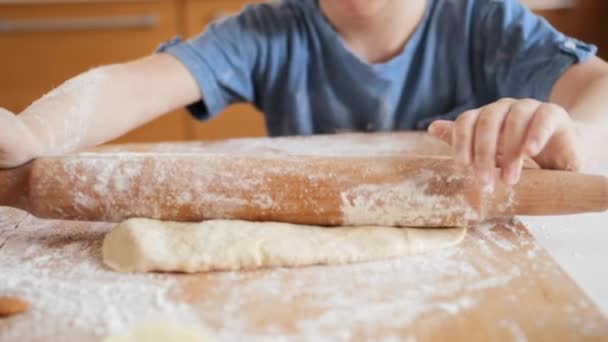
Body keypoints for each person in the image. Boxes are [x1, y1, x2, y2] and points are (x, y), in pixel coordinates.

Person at [1, 0, 607, 187]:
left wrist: (570, 133)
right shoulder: (268, 31)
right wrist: (29, 133)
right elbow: (131, 85)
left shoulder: (485, 22)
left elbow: (601, 85)